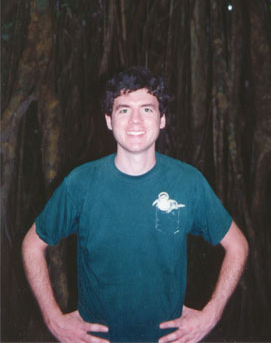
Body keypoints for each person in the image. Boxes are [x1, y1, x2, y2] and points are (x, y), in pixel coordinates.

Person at [22, 66, 249, 343]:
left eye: (148, 109)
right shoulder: (81, 183)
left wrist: (211, 314)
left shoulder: (188, 182)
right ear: (109, 120)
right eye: (124, 110)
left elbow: (237, 245)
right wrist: (53, 319)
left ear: (162, 119)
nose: (136, 121)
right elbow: (33, 244)